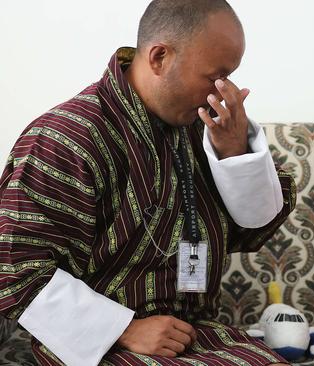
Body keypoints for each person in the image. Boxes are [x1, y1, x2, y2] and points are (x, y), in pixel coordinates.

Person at [0, 1, 295, 365]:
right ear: (159, 57)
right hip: (103, 346)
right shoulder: (65, 138)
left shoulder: (204, 130)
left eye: (229, 78)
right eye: (214, 78)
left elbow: (252, 229)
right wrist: (123, 330)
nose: (223, 94)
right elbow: (16, 271)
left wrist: (234, 154)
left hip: (193, 332)